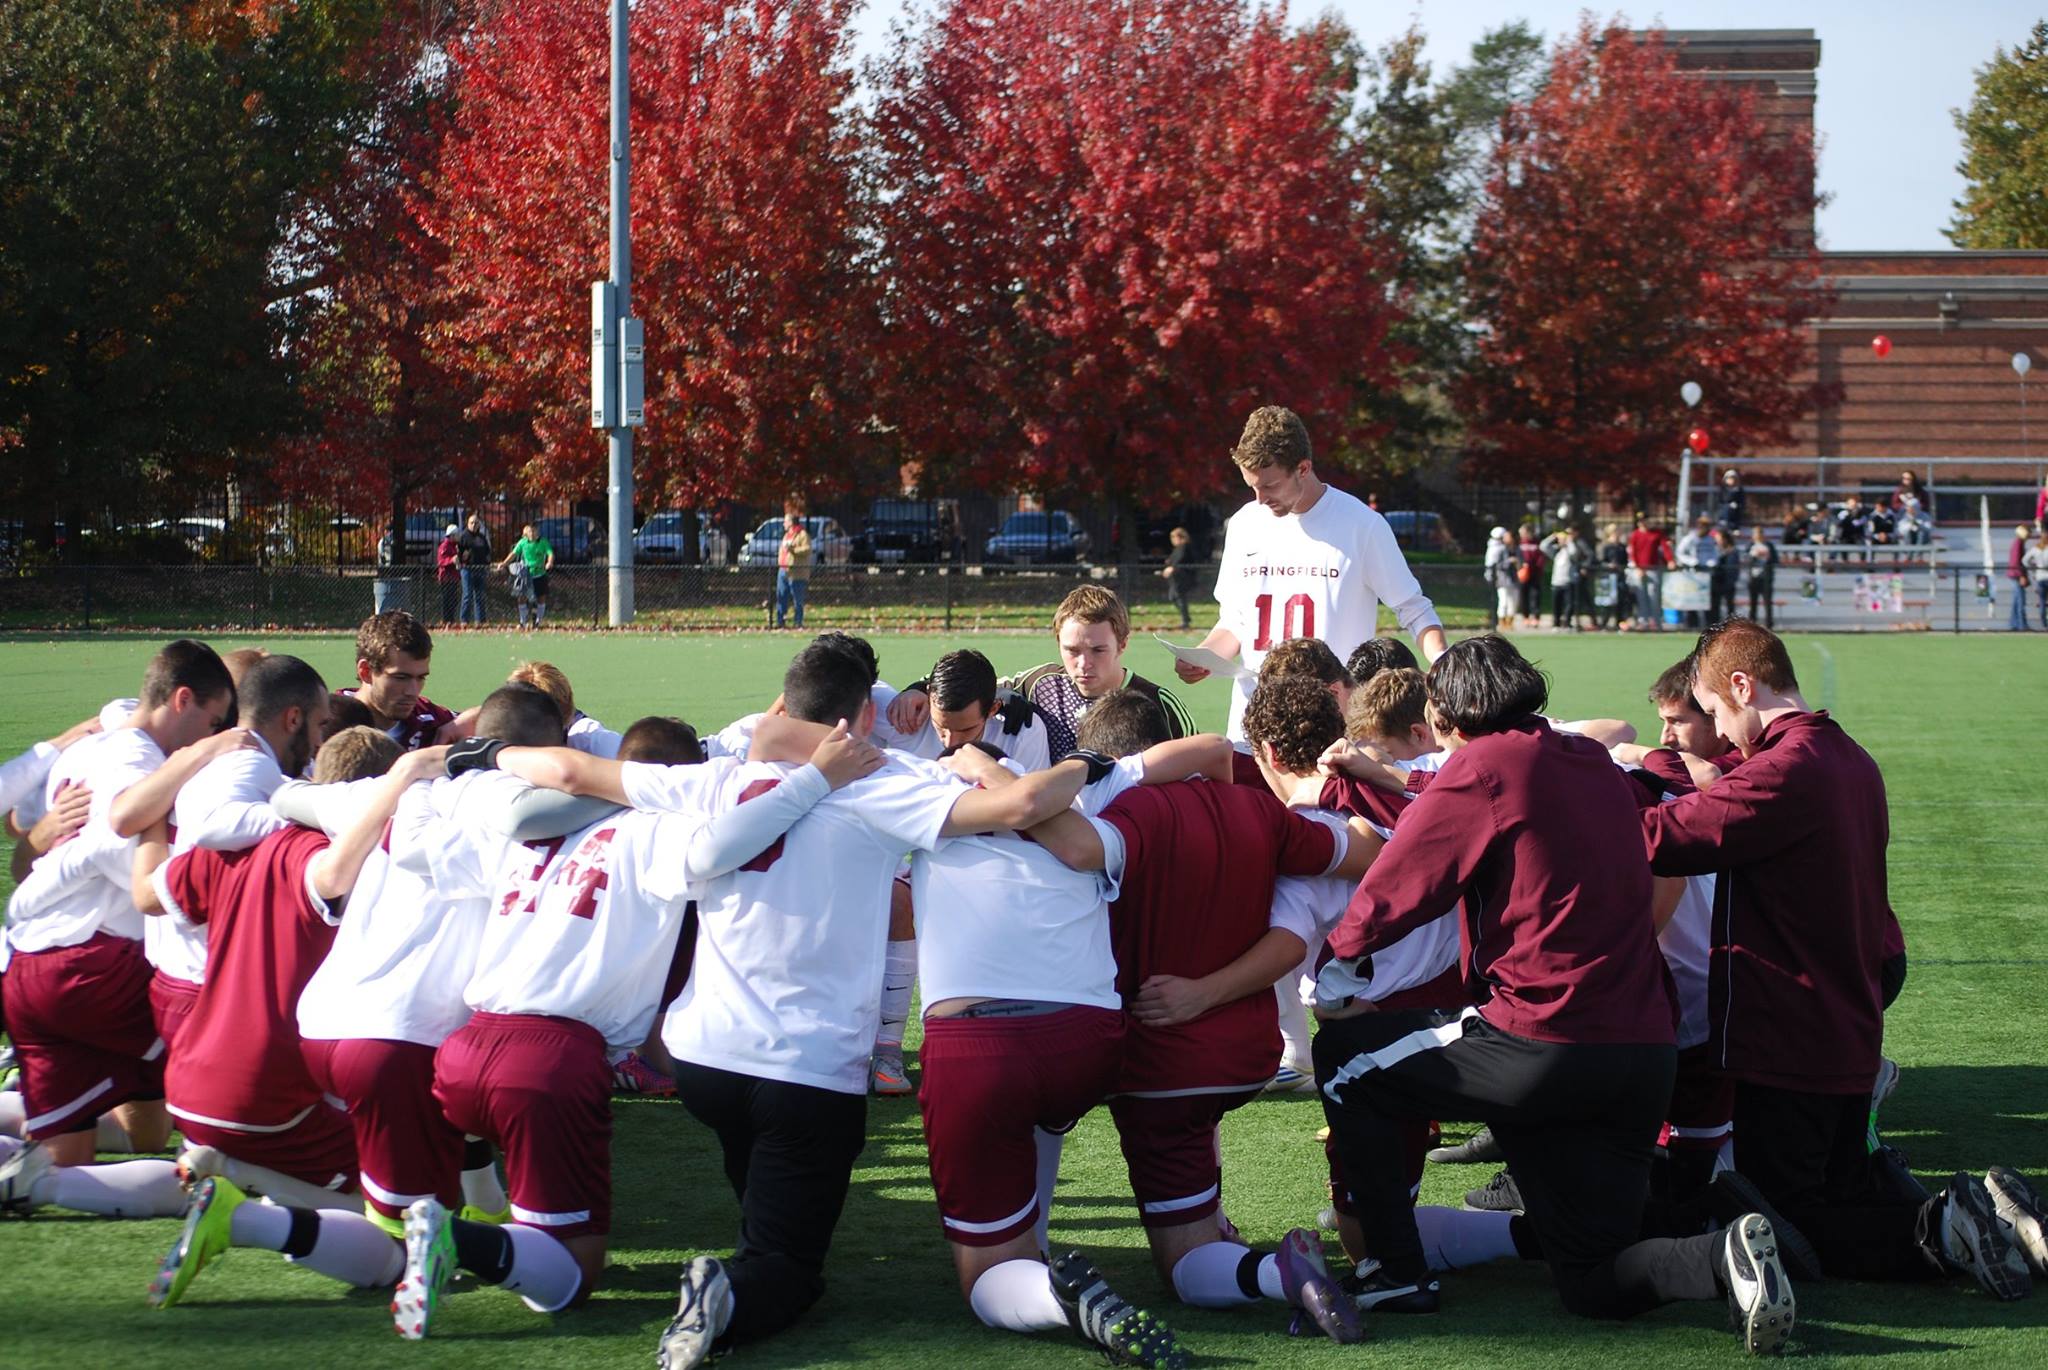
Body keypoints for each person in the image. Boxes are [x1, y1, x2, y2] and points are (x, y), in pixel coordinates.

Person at [1311, 635, 1796, 1351]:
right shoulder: (1584, 757)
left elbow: (1405, 878)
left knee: (1348, 1062)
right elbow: (1657, 781)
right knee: (1591, 1281)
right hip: (1642, 1055)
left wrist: (1340, 963)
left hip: (1545, 1039)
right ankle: (1717, 1254)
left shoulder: (1484, 761)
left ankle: (1394, 1273)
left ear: (1451, 712)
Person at [1640, 620, 2039, 1301]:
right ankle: (1993, 1223)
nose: (1719, 731)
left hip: (1791, 1033)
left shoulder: (1786, 770)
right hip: (1842, 1019)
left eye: (1712, 712)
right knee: (1842, 1192)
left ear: (1742, 686)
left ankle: (1948, 1227)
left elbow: (1661, 840)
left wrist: (1571, 802)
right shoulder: (1845, 755)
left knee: (1789, 1224)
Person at [1022, 690, 1380, 1345]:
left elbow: (1071, 847)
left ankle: (1272, 1272)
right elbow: (1364, 855)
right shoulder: (1255, 807)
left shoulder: (1121, 809)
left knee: (1182, 1268)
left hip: (1153, 1059)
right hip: (1243, 1055)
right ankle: (1222, 1228)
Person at [139, 734, 451, 1313]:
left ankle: (229, 1171)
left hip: (189, 1073)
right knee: (394, 1225)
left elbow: (147, 894)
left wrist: (147, 819)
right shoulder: (323, 854)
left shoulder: (237, 843)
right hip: (267, 1091)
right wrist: (399, 789)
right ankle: (242, 1200)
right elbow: (329, 880)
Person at [0, 641, 239, 1220]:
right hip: (94, 968)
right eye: (210, 721)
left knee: (99, 1148)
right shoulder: (138, 765)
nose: (211, 736)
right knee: (224, 1049)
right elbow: (137, 871)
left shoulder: (88, 750)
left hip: (31, 967)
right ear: (182, 700)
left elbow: (22, 842)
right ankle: (263, 1160)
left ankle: (24, 1176)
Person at [1174, 406, 1444, 747]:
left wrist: (1443, 663)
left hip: (1334, 722)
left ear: (1303, 468)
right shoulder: (1244, 524)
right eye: (1251, 486)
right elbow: (1236, 622)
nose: (1260, 499)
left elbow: (1414, 608)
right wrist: (1203, 658)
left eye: (1270, 485)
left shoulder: (1361, 524)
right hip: (1256, 721)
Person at [888, 586, 1194, 759]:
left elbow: (1192, 773)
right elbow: (973, 687)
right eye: (1072, 650)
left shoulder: (1158, 702)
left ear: (1122, 644)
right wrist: (918, 687)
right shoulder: (1040, 682)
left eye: (1098, 650)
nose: (1084, 664)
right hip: (1053, 829)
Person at [344, 611, 456, 750]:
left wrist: (460, 725)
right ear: (366, 671)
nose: (413, 692)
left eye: (421, 677)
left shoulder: (427, 718)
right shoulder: (327, 724)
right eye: (401, 678)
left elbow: (486, 716)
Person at [502, 523, 555, 629]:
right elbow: (514, 553)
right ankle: (523, 621)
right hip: (526, 576)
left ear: (537, 532)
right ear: (526, 533)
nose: (532, 533)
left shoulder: (543, 542)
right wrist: (504, 563)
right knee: (521, 598)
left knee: (541, 598)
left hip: (540, 574)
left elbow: (550, 553)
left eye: (534, 531)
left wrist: (549, 562)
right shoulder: (522, 543)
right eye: (530, 531)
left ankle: (537, 622)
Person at [1626, 512, 1673, 631]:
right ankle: (1643, 621)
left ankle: (1656, 621)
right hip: (1640, 568)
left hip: (1653, 568)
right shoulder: (1635, 535)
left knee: (1654, 596)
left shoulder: (1656, 533)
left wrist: (1670, 560)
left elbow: (1665, 547)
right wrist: (1638, 567)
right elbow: (1633, 553)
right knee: (1641, 595)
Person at [1676, 516, 1719, 628]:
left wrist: (1712, 562)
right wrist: (1691, 561)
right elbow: (1680, 553)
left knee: (1708, 602)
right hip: (1693, 574)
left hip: (1707, 573)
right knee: (1693, 601)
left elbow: (1714, 553)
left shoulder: (1710, 540)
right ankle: (1692, 625)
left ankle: (1709, 626)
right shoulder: (1689, 539)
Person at [776, 513, 813, 629]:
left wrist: (793, 550)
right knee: (781, 596)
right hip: (783, 569)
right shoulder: (786, 535)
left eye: (785, 521)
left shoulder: (802, 535)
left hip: (797, 573)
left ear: (791, 522)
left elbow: (807, 549)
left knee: (798, 599)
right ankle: (780, 621)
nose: (783, 524)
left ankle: (798, 622)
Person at [1542, 525, 1583, 630]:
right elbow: (1543, 546)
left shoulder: (1570, 551)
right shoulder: (1556, 551)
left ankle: (1567, 624)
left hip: (1568, 582)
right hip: (1556, 582)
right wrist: (1552, 537)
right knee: (1556, 605)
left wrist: (1569, 541)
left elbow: (1574, 552)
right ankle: (1556, 624)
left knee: (1569, 605)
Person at [458, 513, 492, 625]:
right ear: (467, 524)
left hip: (480, 569)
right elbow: (458, 553)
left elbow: (487, 552)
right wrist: (462, 557)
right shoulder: (463, 536)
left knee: (480, 596)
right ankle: (464, 621)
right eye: (471, 522)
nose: (473, 525)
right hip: (467, 569)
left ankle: (480, 621)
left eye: (476, 523)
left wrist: (488, 564)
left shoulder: (481, 537)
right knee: (467, 595)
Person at [1160, 526, 1197, 629]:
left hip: (1183, 578)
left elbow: (1180, 560)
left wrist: (1172, 567)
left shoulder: (1185, 547)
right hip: (1176, 579)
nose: (1173, 540)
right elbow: (1173, 559)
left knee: (1179, 597)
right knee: (1173, 597)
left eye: (1174, 537)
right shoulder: (1178, 549)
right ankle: (1186, 618)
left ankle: (1185, 621)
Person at [1482, 526, 1515, 631]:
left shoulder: (1491, 546)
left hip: (1492, 576)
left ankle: (1496, 620)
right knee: (1502, 600)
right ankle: (1500, 622)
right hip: (1499, 577)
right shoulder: (1500, 548)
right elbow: (1501, 564)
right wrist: (1510, 561)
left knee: (1498, 600)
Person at [1746, 526, 1778, 627]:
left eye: (1760, 533)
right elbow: (1746, 560)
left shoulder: (1769, 545)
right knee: (1753, 603)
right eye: (1755, 533)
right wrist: (1753, 556)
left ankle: (1769, 625)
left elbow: (1776, 560)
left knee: (1767, 603)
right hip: (1754, 578)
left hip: (1766, 578)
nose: (1758, 536)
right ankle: (1751, 624)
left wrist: (1768, 557)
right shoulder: (1750, 545)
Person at [1514, 523, 1545, 628]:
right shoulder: (1520, 544)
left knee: (1535, 596)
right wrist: (1521, 566)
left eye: (1523, 532)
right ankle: (1526, 617)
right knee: (1524, 596)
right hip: (1524, 575)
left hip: (1535, 574)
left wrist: (1537, 567)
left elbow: (1541, 558)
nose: (1521, 535)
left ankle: (1536, 618)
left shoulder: (1537, 543)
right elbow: (1518, 557)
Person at [1710, 528, 1740, 624]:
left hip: (1728, 582)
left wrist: (1731, 581)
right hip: (1716, 581)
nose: (1717, 540)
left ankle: (1731, 626)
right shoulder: (1714, 550)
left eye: (1719, 538)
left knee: (1729, 606)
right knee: (1715, 606)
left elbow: (1733, 568)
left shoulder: (1733, 551)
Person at [434, 524, 461, 625]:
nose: (458, 537)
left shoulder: (454, 546)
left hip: (453, 577)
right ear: (452, 535)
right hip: (446, 578)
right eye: (457, 535)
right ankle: (446, 621)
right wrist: (451, 560)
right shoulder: (444, 546)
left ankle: (451, 620)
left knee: (453, 600)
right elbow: (441, 561)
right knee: (447, 600)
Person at [2010, 524, 2034, 631]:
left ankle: (2014, 623)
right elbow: (2016, 561)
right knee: (2020, 601)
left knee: (2016, 601)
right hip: (2017, 575)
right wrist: (2022, 576)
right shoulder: (2018, 543)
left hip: (2015, 574)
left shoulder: (2018, 543)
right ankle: (2022, 624)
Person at [2028, 531, 2048, 626]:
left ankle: (2044, 623)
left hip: (2040, 578)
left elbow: (2024, 560)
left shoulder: (2035, 549)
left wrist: (2033, 570)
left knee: (2042, 601)